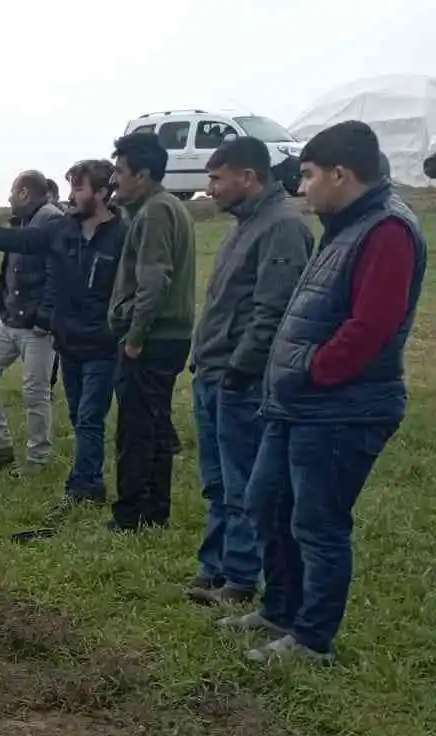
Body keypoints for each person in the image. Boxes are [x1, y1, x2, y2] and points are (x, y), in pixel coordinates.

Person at [226, 121, 425, 664]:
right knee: (267, 503)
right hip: (299, 402)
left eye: (310, 175)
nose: (301, 187)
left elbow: (372, 326)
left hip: (342, 408)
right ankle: (280, 610)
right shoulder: (347, 224)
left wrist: (313, 369)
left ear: (341, 173)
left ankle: (313, 640)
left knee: (317, 524)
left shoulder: (387, 230)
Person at [0, 159, 127, 514]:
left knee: (88, 416)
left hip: (103, 344)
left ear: (103, 192)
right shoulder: (64, 230)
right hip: (70, 341)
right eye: (71, 187)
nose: (72, 195)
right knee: (79, 415)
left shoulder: (123, 234)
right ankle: (82, 479)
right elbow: (14, 240)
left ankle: (85, 487)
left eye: (79, 188)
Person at [186, 136, 314, 608]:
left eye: (217, 179)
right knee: (218, 481)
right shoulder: (246, 223)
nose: (211, 189)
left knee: (242, 482)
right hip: (213, 371)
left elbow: (272, 311)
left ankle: (239, 580)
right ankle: (215, 569)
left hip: (240, 380)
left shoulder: (281, 226)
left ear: (248, 177)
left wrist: (240, 369)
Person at [107, 130, 197, 531]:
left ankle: (130, 515)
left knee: (136, 431)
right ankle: (155, 512)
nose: (114, 180)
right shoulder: (163, 207)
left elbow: (154, 281)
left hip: (154, 338)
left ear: (142, 174)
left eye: (120, 172)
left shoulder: (156, 212)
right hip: (167, 336)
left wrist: (135, 338)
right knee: (155, 424)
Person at [0, 169, 64, 472]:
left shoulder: (51, 221)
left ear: (24, 193)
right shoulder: (25, 220)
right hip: (9, 320)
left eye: (11, 191)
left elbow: (57, 274)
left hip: (37, 327)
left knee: (36, 392)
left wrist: (46, 315)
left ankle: (38, 459)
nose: (8, 197)